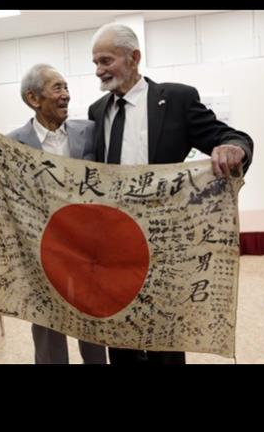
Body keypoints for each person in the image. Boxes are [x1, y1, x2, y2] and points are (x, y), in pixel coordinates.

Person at [87, 23, 254, 365]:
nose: (99, 70)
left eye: (106, 60)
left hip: (165, 241)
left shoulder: (176, 98)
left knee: (165, 332)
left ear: (134, 57)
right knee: (119, 330)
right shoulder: (97, 110)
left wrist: (232, 149)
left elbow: (233, 137)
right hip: (113, 242)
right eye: (95, 63)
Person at [0, 63, 108, 365]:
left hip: (88, 249)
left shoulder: (92, 131)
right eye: (58, 88)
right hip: (41, 251)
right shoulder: (12, 142)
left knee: (94, 327)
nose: (66, 95)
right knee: (47, 327)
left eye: (67, 87)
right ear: (33, 99)